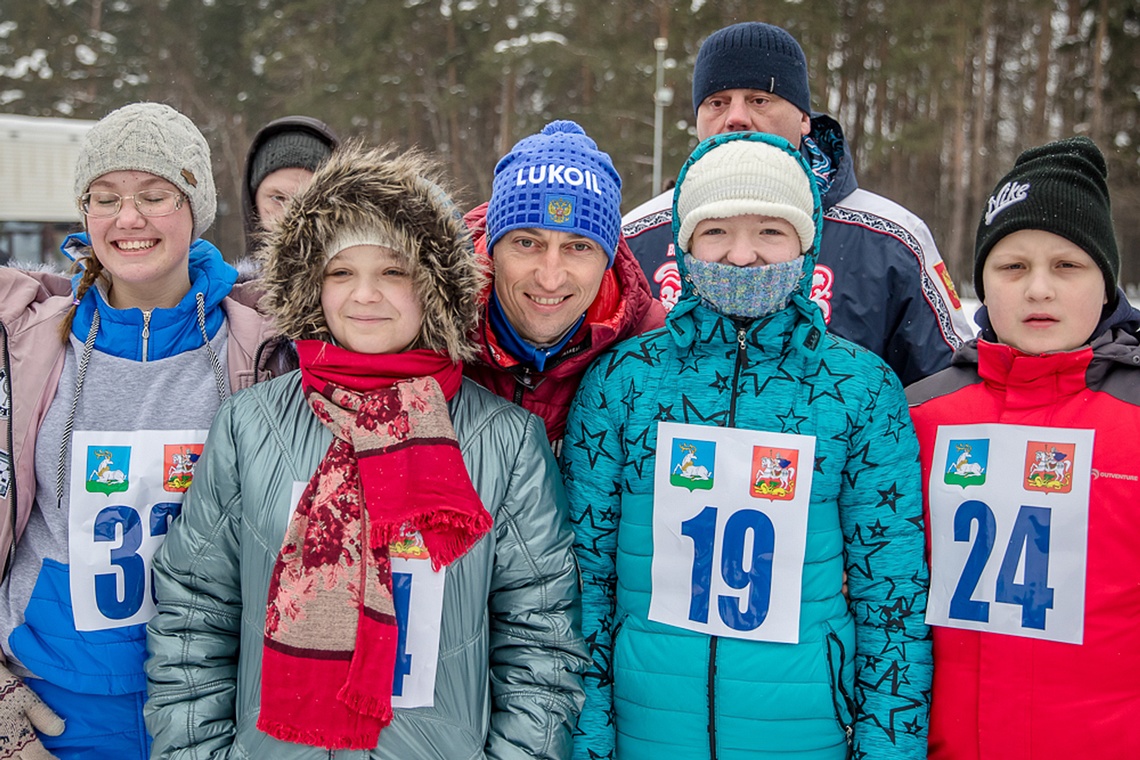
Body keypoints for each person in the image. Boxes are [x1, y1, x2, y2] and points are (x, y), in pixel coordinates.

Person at [145, 141, 588, 759]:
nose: (365, 295)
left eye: (393, 271)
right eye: (341, 271)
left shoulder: (505, 441)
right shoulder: (251, 426)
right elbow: (194, 613)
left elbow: (541, 645)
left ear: (433, 285)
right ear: (312, 286)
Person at [563, 131, 931, 760]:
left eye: (769, 231)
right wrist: (590, 737)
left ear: (806, 240)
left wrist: (888, 747)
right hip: (646, 733)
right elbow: (584, 584)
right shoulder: (623, 381)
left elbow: (891, 599)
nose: (742, 256)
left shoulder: (860, 389)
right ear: (682, 243)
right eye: (716, 232)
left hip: (808, 733)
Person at [0, 101, 286, 759]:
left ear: (195, 208)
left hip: (214, 708)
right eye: (105, 198)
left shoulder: (266, 348)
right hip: (57, 710)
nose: (128, 219)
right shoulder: (31, 345)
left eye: (155, 196)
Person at [907, 136, 1140, 757]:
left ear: (1108, 283)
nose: (1039, 290)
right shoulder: (918, 415)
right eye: (1013, 267)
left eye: (1068, 266)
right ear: (982, 280)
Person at [623, 21, 971, 386]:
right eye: (717, 102)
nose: (736, 117)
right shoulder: (637, 236)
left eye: (760, 99)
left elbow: (948, 389)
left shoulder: (891, 240)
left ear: (804, 118)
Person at [463, 120, 664, 449]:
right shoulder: (426, 326)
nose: (550, 278)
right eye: (527, 243)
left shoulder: (654, 350)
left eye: (579, 247)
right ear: (493, 248)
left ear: (608, 257)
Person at [242, 115, 339, 249]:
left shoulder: (370, 268)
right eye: (278, 198)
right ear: (253, 204)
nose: (290, 215)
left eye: (308, 199)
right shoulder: (220, 270)